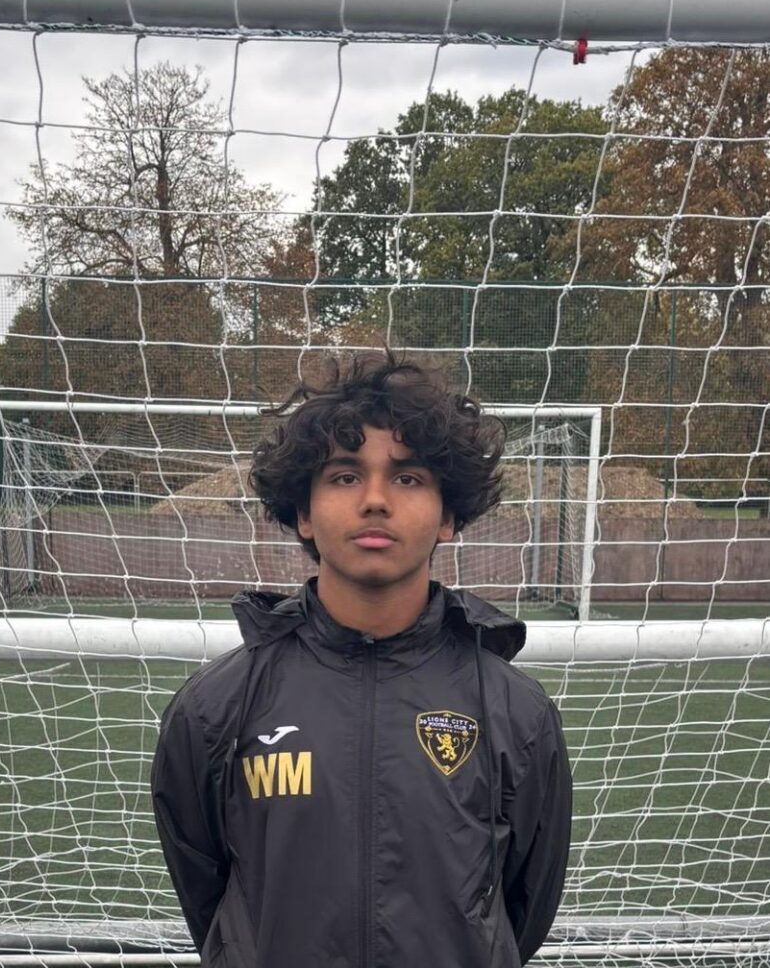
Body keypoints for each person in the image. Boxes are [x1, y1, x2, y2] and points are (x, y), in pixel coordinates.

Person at [151, 350, 572, 968]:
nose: (375, 499)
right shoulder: (216, 707)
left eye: (408, 478)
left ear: (448, 515)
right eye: (345, 476)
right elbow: (212, 902)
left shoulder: (518, 712)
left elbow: (523, 907)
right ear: (303, 512)